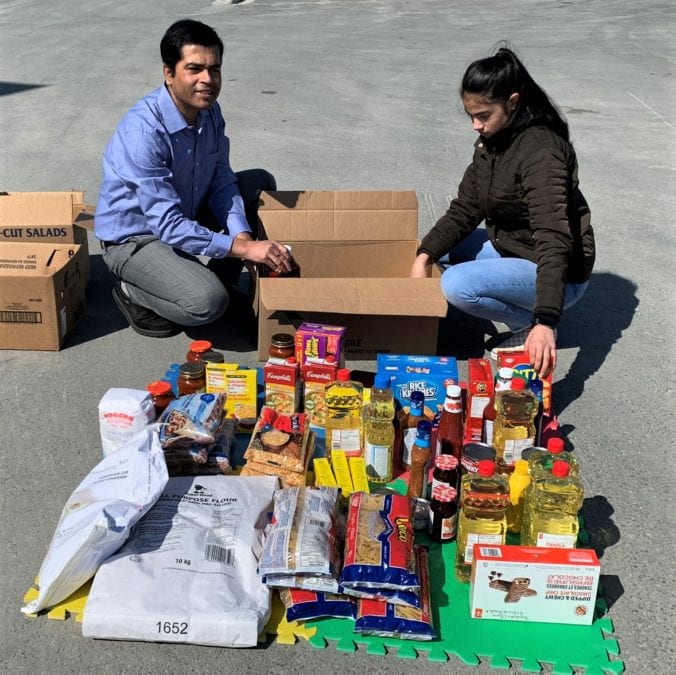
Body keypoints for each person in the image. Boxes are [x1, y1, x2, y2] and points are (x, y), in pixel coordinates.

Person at [95, 19, 292, 338]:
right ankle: (133, 292)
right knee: (206, 303)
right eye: (195, 69)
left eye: (214, 69)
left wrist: (242, 236)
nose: (207, 80)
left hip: (183, 208)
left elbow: (222, 178)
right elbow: (168, 225)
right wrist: (245, 251)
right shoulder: (143, 133)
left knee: (257, 182)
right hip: (136, 238)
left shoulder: (209, 111)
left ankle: (212, 278)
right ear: (168, 73)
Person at [411, 46, 595, 377]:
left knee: (456, 284)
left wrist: (545, 320)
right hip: (514, 246)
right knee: (443, 250)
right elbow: (465, 208)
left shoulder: (542, 153)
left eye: (483, 116)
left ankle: (528, 325)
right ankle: (529, 313)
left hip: (557, 271)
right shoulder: (492, 142)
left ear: (512, 102)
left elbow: (554, 239)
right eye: (470, 115)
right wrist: (423, 256)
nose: (475, 125)